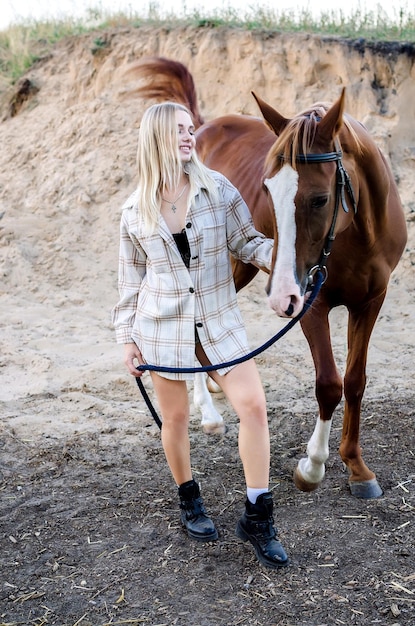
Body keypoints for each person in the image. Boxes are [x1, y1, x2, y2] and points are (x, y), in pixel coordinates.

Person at [111, 101, 288, 569]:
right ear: (156, 139)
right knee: (177, 420)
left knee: (253, 406)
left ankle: (257, 515)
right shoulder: (133, 211)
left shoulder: (218, 189)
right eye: (178, 131)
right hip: (161, 327)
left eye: (191, 129)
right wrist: (127, 340)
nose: (189, 137)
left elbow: (248, 242)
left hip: (219, 320)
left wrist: (287, 262)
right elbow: (130, 285)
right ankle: (189, 498)